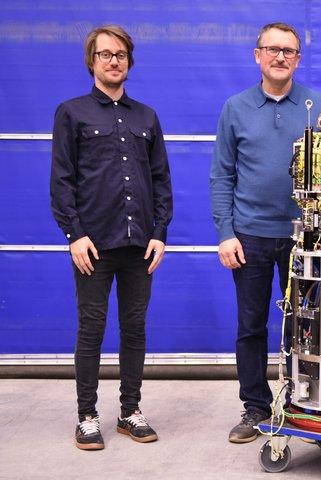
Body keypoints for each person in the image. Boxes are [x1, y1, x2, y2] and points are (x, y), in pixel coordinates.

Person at [210, 22, 321, 443]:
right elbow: (221, 176)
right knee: (251, 326)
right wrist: (226, 232)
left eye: (289, 51)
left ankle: (306, 405)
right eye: (272, 49)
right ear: (258, 55)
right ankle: (255, 407)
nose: (280, 57)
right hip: (250, 237)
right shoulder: (236, 107)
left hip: (307, 238)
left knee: (310, 325)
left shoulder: (319, 106)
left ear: (298, 60)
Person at [50, 25, 173, 450]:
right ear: (92, 61)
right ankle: (86, 416)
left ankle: (130, 412)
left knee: (134, 328)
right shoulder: (72, 112)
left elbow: (160, 180)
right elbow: (62, 181)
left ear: (129, 61)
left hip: (140, 245)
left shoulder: (147, 117)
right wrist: (74, 234)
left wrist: (159, 232)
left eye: (120, 54)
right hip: (93, 246)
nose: (114, 61)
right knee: (91, 329)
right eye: (105, 54)